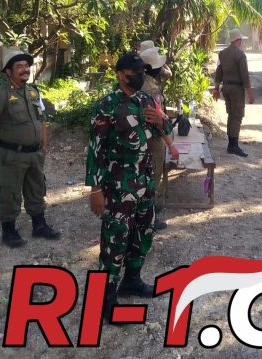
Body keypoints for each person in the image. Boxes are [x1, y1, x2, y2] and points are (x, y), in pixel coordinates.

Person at [86, 52, 173, 322]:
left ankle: (132, 280)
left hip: (144, 181)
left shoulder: (145, 100)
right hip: (118, 185)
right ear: (121, 75)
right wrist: (95, 190)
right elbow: (95, 150)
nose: (140, 77)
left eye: (143, 72)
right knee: (115, 240)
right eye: (135, 73)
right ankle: (106, 298)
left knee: (143, 232)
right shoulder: (107, 106)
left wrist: (160, 120)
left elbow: (165, 128)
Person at [0, 50, 60, 248]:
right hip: (12, 155)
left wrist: (44, 145)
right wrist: (9, 135)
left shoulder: (33, 92)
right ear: (9, 72)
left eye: (26, 66)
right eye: (19, 67)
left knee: (36, 189)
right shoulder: (0, 95)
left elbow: (41, 120)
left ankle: (39, 225)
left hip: (35, 153)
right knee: (10, 192)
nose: (25, 69)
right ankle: (9, 231)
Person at [140, 45, 179, 230]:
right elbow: (157, 121)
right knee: (153, 177)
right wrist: (170, 144)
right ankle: (149, 218)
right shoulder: (151, 89)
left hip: (144, 137)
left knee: (147, 176)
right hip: (154, 140)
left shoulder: (142, 83)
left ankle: (150, 210)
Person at [212, 29, 254, 157]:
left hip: (226, 88)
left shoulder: (222, 53)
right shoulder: (240, 55)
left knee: (231, 115)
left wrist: (216, 89)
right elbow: (245, 76)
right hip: (237, 90)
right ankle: (234, 146)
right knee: (237, 116)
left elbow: (219, 72)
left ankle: (231, 144)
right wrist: (250, 93)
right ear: (238, 40)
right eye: (241, 40)